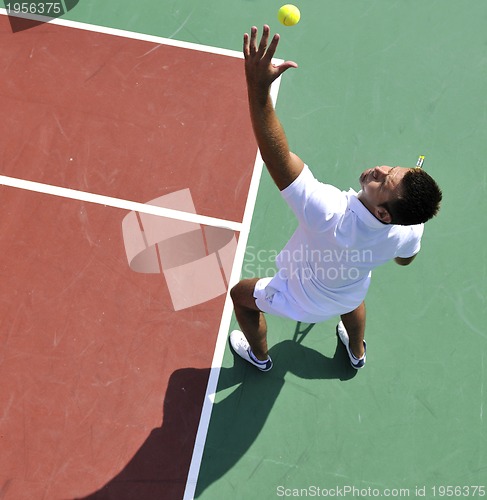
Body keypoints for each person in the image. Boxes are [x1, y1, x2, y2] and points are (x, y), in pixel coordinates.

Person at [229, 25, 442, 371]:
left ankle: (260, 357)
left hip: (301, 299)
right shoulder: (411, 228)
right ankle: (356, 353)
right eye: (391, 168)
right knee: (353, 304)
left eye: (384, 180)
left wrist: (257, 88)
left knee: (241, 295)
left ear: (385, 213)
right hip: (349, 290)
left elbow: (276, 155)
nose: (378, 168)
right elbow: (405, 260)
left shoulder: (328, 214)